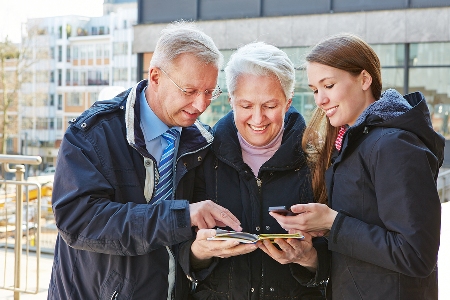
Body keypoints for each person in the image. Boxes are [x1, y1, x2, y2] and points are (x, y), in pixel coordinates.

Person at [48, 21, 243, 300]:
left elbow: (187, 245)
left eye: (210, 92)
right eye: (189, 91)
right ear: (155, 77)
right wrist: (180, 216)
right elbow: (77, 220)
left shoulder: (203, 143)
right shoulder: (92, 134)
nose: (201, 105)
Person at [269, 33, 444, 299]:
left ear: (364, 79)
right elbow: (361, 254)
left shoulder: (393, 145)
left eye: (328, 85)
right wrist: (313, 250)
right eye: (315, 90)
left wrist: (333, 222)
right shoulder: (350, 143)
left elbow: (416, 255)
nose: (320, 100)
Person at [178, 42, 328, 299]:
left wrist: (310, 258)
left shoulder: (317, 161)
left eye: (270, 106)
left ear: (288, 102)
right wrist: (198, 253)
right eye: (246, 106)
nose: (258, 119)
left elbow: (338, 257)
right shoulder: (200, 157)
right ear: (231, 101)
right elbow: (182, 254)